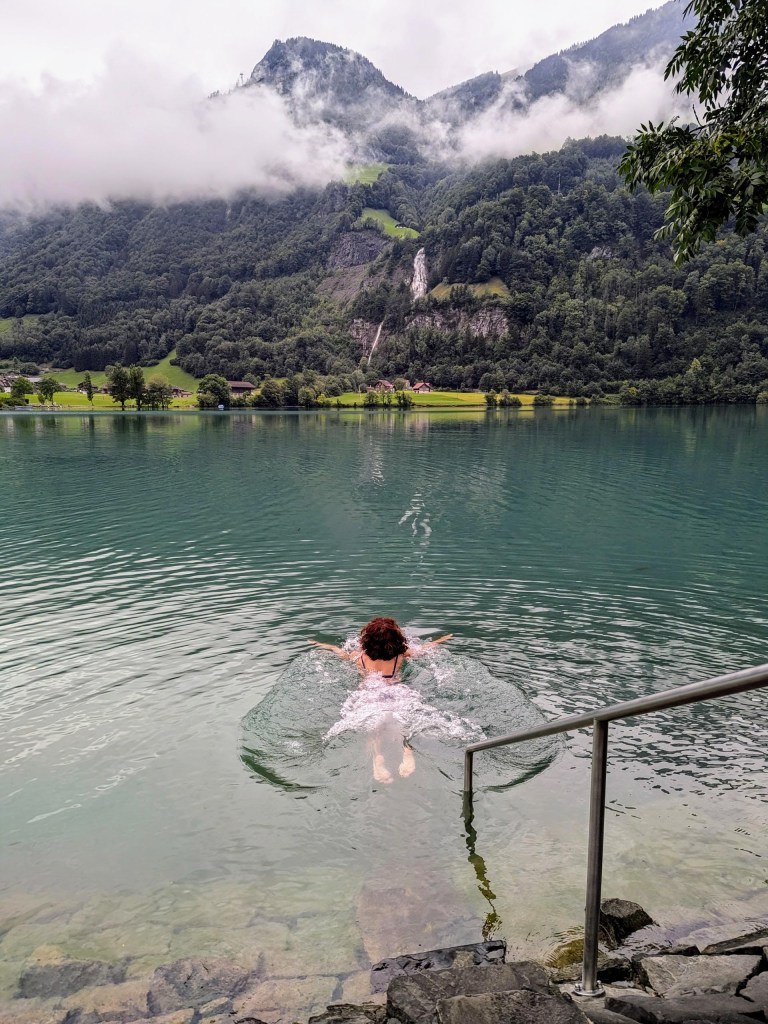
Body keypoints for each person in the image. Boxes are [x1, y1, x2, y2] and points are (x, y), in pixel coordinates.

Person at [308, 617, 452, 784]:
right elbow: (425, 649)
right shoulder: (401, 655)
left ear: (366, 640)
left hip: (369, 693)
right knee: (405, 721)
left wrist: (328, 646)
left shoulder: (358, 656)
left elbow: (341, 654)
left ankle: (377, 758)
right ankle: (407, 751)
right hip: (396, 691)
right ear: (397, 640)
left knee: (374, 727)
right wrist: (442, 639)